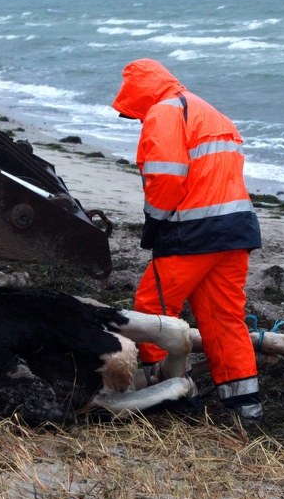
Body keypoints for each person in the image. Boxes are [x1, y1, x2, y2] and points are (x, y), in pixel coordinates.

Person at [112, 58, 264, 421]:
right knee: (224, 318)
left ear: (137, 92)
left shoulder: (163, 114)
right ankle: (245, 406)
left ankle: (161, 394)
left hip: (192, 233)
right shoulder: (209, 112)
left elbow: (166, 176)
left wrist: (154, 222)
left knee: (153, 308)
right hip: (236, 230)